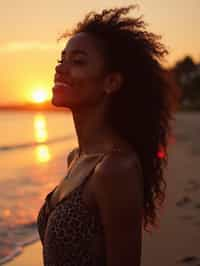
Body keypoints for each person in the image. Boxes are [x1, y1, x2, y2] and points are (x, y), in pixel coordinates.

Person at [37, 5, 178, 266]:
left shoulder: (115, 169)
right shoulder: (76, 158)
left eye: (77, 61)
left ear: (111, 82)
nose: (61, 69)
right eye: (61, 60)